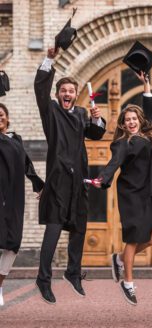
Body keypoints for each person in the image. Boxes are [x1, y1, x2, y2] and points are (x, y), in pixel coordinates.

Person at [34, 48, 106, 305]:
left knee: (79, 228)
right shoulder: (51, 111)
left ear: (76, 95)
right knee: (54, 229)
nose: (67, 94)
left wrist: (98, 121)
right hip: (57, 179)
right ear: (57, 94)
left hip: (79, 180)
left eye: (71, 91)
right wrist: (49, 60)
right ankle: (43, 278)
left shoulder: (81, 114)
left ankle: (72, 272)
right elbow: (40, 88)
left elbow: (96, 135)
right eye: (63, 91)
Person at [92, 72, 152, 306]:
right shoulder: (123, 143)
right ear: (123, 124)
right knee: (134, 239)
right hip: (132, 195)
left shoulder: (147, 136)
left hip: (151, 193)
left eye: (134, 118)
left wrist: (146, 84)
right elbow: (114, 163)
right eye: (127, 120)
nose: (131, 122)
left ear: (139, 120)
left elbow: (150, 111)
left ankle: (120, 259)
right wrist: (102, 178)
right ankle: (128, 283)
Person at [0, 103, 44, 306]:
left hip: (15, 197)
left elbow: (27, 164)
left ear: (7, 118)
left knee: (13, 243)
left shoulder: (16, 139)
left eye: (1, 115)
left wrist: (39, 186)